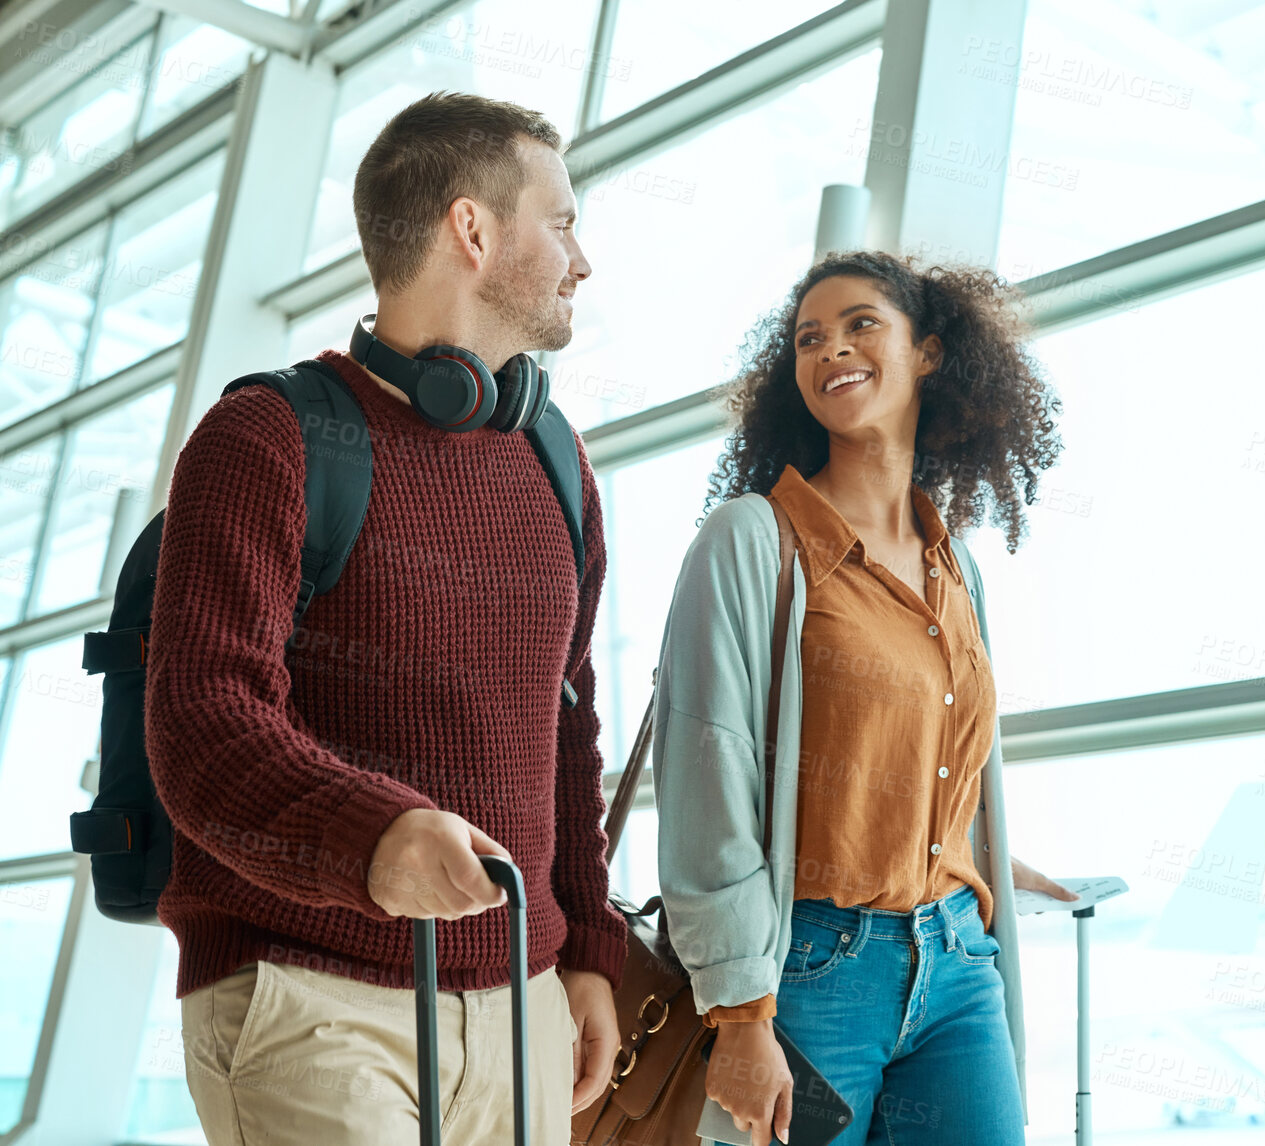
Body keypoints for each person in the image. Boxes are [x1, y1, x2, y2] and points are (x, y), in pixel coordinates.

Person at [143, 91, 623, 1145]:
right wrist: (374, 835)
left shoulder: (558, 463)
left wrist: (587, 942)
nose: (581, 258)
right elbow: (203, 721)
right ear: (472, 229)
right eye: (563, 221)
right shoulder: (263, 440)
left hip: (525, 1004)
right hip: (308, 1003)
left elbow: (567, 721)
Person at [650, 250, 1075, 1146]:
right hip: (808, 971)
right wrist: (739, 1014)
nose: (830, 349)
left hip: (958, 958)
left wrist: (978, 857)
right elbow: (706, 779)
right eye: (809, 338)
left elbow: (939, 753)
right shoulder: (751, 542)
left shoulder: (953, 568)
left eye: (859, 325)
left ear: (927, 352)